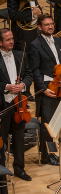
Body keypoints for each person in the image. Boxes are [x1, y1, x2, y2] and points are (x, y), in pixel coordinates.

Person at [27, 14, 61, 166]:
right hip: (47, 89)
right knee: (47, 126)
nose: (50, 26)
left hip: (59, 87)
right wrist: (43, 89)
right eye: (46, 24)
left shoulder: (57, 40)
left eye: (51, 23)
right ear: (40, 27)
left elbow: (58, 63)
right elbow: (35, 71)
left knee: (56, 122)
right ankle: (47, 156)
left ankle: (53, 153)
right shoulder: (35, 45)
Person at [0, 28, 33, 184]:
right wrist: (6, 86)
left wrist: (24, 85)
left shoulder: (21, 55)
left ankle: (19, 168)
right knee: (2, 140)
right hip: (3, 105)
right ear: (0, 42)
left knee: (19, 138)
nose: (11, 41)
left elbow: (29, 74)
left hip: (19, 104)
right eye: (8, 40)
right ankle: (1, 171)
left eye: (12, 38)